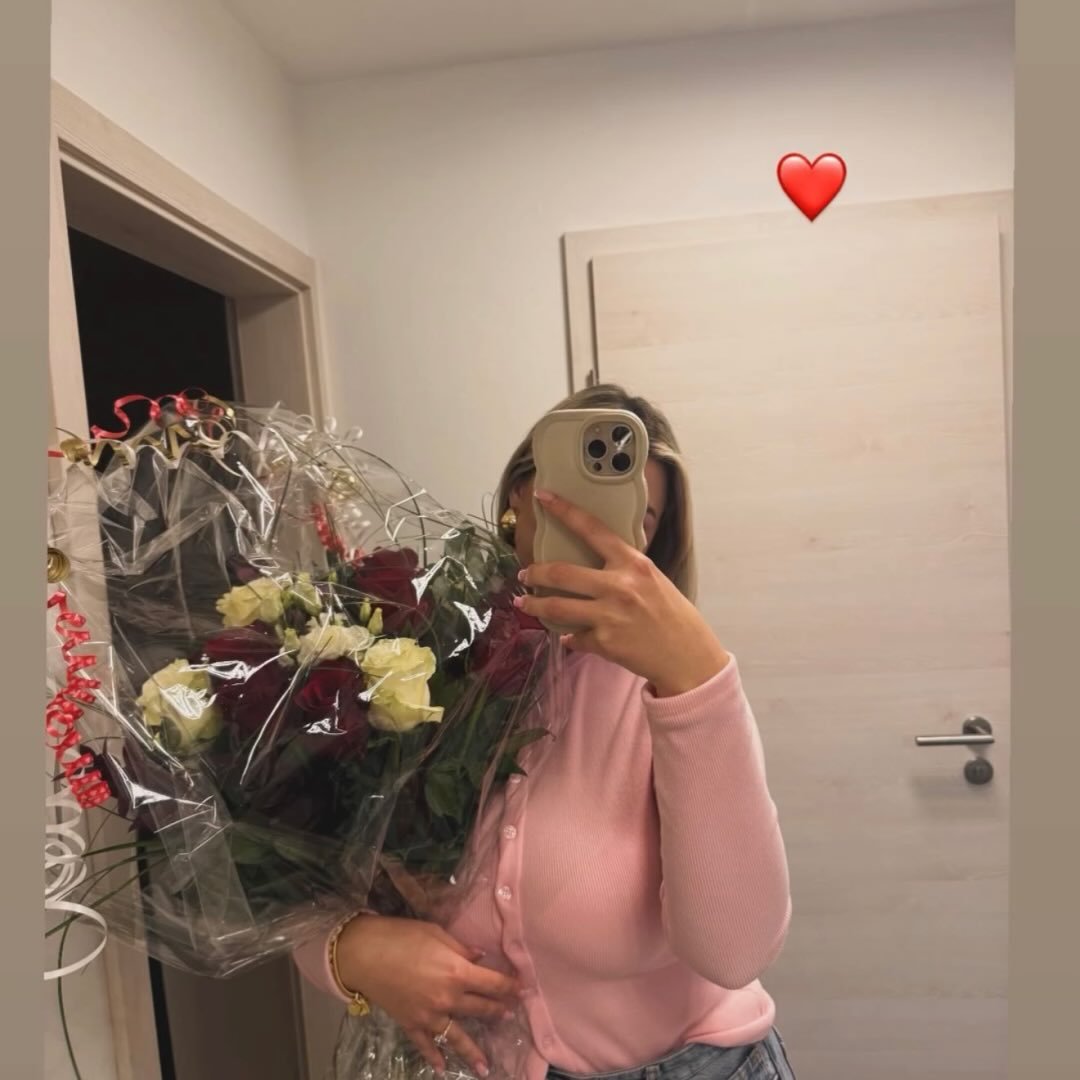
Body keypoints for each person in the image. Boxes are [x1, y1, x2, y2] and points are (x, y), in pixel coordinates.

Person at [294, 385, 795, 1080]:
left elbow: (734, 952)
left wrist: (699, 681)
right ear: (518, 499)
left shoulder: (673, 697)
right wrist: (351, 951)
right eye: (571, 498)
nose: (597, 530)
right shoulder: (422, 658)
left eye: (634, 517)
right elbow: (302, 867)